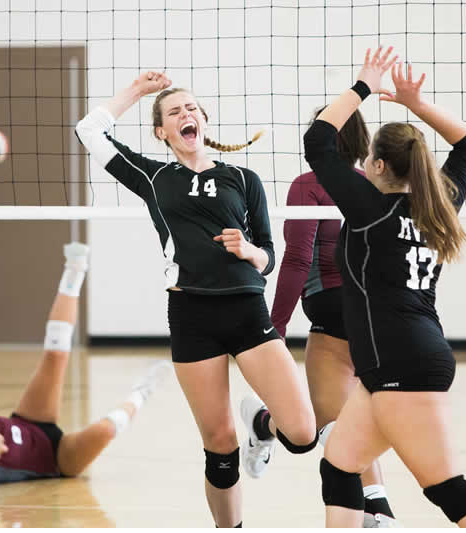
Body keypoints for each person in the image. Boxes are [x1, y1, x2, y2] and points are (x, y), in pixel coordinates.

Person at [76, 72, 317, 527]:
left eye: (191, 108)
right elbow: (89, 130)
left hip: (246, 309)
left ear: (204, 121)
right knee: (219, 441)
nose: (186, 114)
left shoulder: (244, 179)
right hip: (192, 315)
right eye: (173, 112)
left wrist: (249, 251)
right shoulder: (152, 176)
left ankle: (260, 425)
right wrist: (139, 92)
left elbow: (268, 256)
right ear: (161, 132)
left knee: (303, 434)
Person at [305, 47, 466, 527]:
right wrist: (416, 105)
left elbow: (318, 142)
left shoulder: (370, 209)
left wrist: (363, 87)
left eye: (370, 157)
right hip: (397, 361)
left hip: (403, 364)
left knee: (444, 486)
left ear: (374, 167)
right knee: (339, 466)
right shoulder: (440, 204)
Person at [0, 242, 170, 493]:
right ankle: (141, 393)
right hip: (59, 459)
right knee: (104, 430)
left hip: (32, 421)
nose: (5, 449)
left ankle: (75, 268)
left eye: (0, 442)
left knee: (56, 355)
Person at [270, 109, 398, 527]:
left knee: (326, 425)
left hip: (331, 304)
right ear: (363, 143)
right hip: (377, 313)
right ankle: (378, 507)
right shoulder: (375, 187)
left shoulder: (309, 184)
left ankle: (261, 423)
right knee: (350, 416)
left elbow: (296, 259)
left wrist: (275, 328)